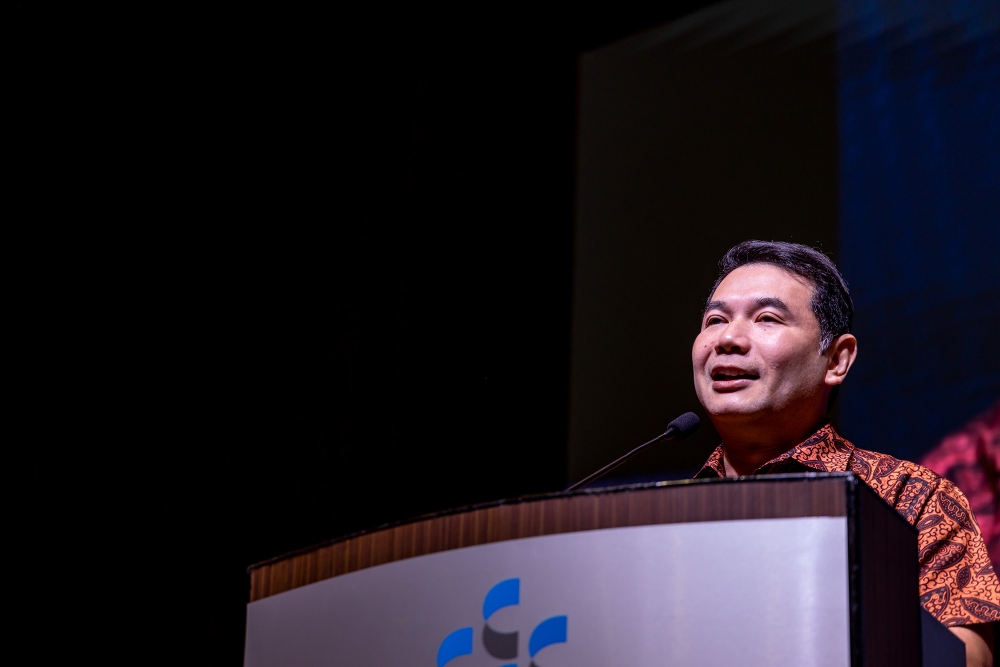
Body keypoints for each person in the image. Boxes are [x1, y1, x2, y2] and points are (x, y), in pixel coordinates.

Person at [690, 240, 998, 666]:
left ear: (837, 359)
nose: (727, 338)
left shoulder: (910, 498)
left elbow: (970, 657)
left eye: (766, 318)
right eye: (715, 320)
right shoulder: (660, 514)